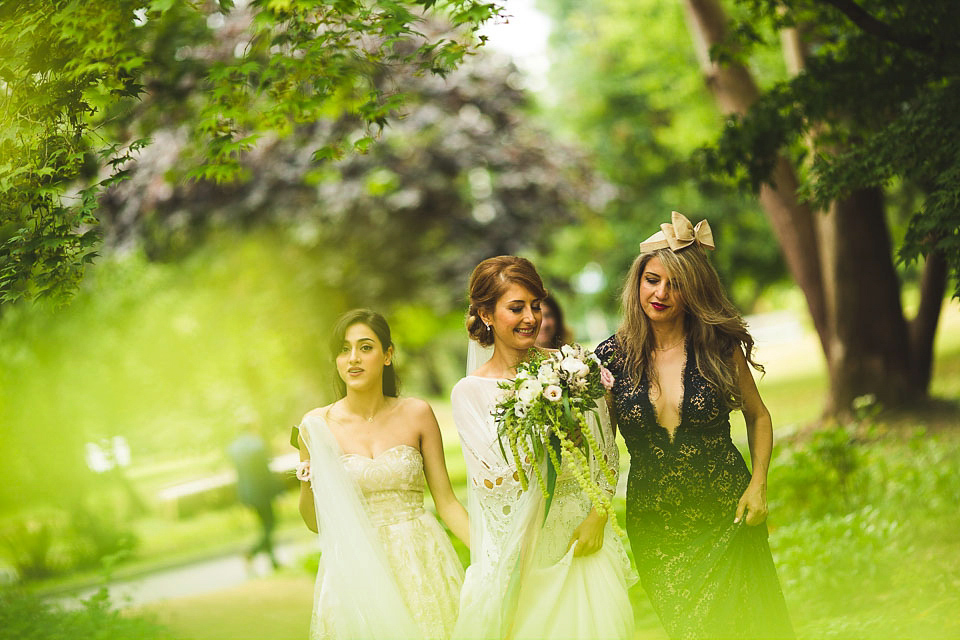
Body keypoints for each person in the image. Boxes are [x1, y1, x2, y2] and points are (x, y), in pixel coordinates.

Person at [594, 211, 793, 638]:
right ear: (638, 283)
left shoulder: (718, 346)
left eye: (676, 284)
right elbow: (603, 447)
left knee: (749, 625)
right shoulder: (611, 358)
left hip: (726, 509)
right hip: (654, 521)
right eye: (653, 280)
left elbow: (758, 416)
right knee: (688, 627)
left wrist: (758, 484)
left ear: (694, 291)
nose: (661, 293)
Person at [451, 255, 636, 640]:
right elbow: (497, 482)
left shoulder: (574, 367)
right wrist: (554, 432)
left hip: (582, 546)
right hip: (525, 557)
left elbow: (605, 451)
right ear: (486, 314)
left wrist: (598, 516)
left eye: (535, 306)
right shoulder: (469, 393)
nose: (531, 318)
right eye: (516, 308)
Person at [295, 309, 469, 639]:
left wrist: (490, 558)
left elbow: (446, 502)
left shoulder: (417, 413)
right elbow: (316, 523)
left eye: (365, 347)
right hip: (358, 567)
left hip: (422, 559)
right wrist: (307, 481)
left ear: (387, 355)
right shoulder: (316, 426)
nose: (353, 359)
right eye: (344, 349)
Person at [227, 423, 281, 570]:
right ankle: (252, 551)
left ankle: (273, 561)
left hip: (248, 493)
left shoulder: (234, 448)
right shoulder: (257, 444)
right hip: (263, 491)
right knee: (270, 524)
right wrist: (278, 490)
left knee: (264, 525)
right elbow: (265, 471)